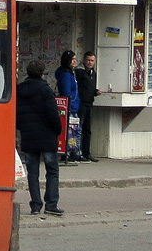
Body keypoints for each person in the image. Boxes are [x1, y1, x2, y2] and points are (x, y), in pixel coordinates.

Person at [16, 60, 64, 216]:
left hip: (28, 137)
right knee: (52, 170)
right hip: (47, 136)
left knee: (33, 172)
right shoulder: (45, 90)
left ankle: (35, 205)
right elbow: (52, 114)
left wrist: (23, 128)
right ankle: (51, 204)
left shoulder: (19, 90)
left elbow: (17, 116)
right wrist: (58, 130)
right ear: (42, 73)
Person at [54, 49, 83, 163]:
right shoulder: (66, 74)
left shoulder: (71, 73)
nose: (75, 61)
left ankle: (73, 151)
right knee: (72, 130)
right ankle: (71, 152)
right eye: (73, 59)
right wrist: (71, 102)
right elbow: (66, 92)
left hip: (74, 105)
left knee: (74, 130)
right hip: (70, 106)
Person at [75, 51, 100, 162]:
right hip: (81, 104)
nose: (90, 62)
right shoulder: (79, 72)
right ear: (84, 61)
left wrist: (95, 92)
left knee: (87, 129)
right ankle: (77, 152)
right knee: (78, 129)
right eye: (88, 60)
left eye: (92, 61)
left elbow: (89, 88)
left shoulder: (92, 73)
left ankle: (86, 153)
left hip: (89, 103)